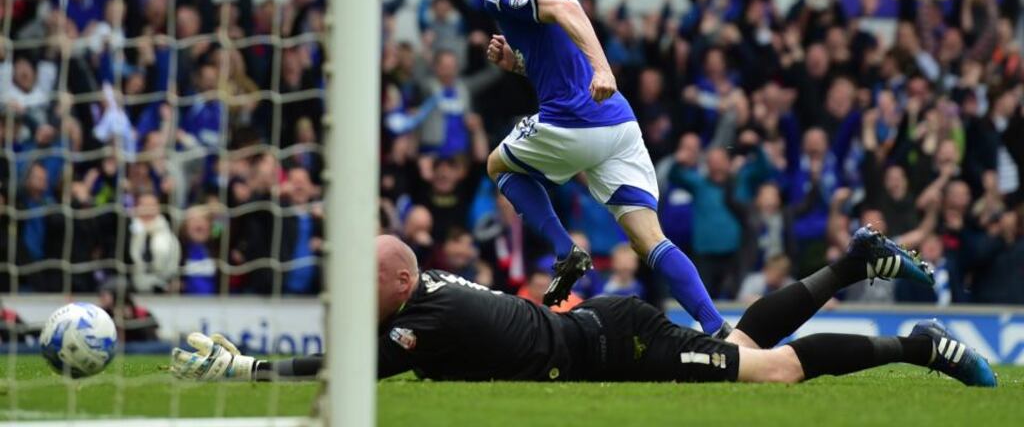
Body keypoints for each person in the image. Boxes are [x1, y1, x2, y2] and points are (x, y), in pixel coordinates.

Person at [170, 229, 995, 388]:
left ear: (394, 283)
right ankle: (850, 263)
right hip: (596, 324)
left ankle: (915, 346)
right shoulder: (432, 298)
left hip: (614, 347)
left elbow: (351, 369)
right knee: (740, 339)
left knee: (770, 371)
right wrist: (555, 300)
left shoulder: (422, 321)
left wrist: (249, 368)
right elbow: (516, 319)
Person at [466, 0, 726, 336]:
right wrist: (517, 65)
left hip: (575, 121)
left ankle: (566, 249)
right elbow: (560, 50)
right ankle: (716, 327)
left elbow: (567, 10)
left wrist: (604, 69)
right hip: (619, 125)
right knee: (649, 239)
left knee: (497, 165)